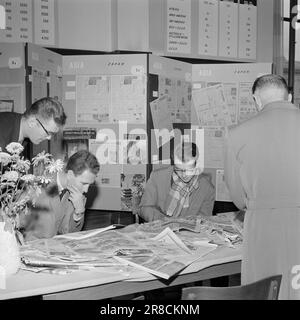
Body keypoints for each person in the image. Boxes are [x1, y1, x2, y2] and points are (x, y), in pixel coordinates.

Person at [224, 74, 300, 299]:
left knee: (265, 288)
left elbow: (238, 197)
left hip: (263, 225)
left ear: (256, 100)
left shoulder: (237, 133)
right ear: (288, 96)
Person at [23, 150, 100, 240]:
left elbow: (67, 233)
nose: (86, 190)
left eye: (89, 185)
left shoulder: (74, 193)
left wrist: (78, 212)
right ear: (70, 174)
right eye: (84, 183)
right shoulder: (40, 186)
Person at [139, 142, 215, 222]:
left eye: (189, 170)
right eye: (179, 170)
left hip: (187, 233)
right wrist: (163, 220)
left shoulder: (207, 188)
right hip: (159, 229)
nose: (184, 175)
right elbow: (144, 207)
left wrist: (187, 224)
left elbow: (204, 218)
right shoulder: (157, 177)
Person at [0, 97, 66, 152]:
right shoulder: (3, 132)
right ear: (32, 122)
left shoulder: (25, 136)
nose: (49, 138)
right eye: (48, 132)